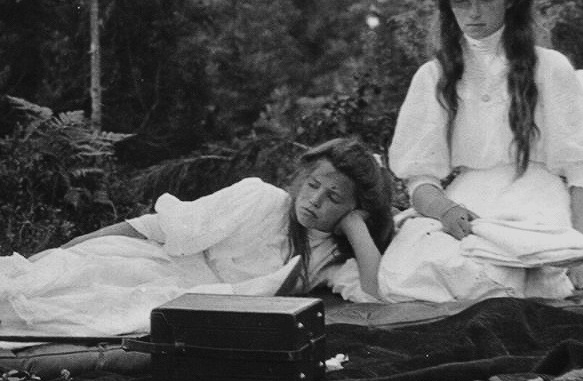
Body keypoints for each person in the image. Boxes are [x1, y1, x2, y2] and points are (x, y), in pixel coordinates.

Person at [379, 0, 583, 303]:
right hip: (468, 203)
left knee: (495, 277)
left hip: (535, 203)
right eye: (461, 1)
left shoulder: (549, 69)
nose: (474, 12)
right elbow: (420, 180)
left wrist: (582, 246)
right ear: (448, 6)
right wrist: (446, 210)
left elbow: (581, 171)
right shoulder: (433, 77)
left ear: (510, 1)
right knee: (409, 275)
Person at [0, 138, 393, 336]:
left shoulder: (327, 258)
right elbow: (158, 226)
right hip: (164, 264)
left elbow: (373, 293)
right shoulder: (260, 199)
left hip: (200, 300)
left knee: (95, 311)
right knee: (59, 274)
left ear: (351, 208)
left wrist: (356, 226)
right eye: (313, 185)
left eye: (334, 198)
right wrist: (71, 245)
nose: (315, 200)